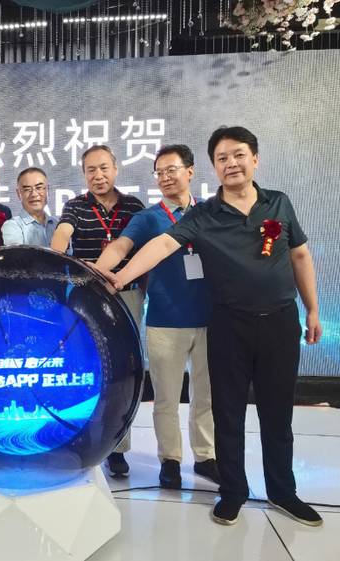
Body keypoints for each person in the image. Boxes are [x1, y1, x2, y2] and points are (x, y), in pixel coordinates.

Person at [106, 126, 323, 527]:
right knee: (227, 412)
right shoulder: (204, 214)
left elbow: (300, 256)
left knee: (277, 414)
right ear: (213, 166)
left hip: (280, 323)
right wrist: (120, 277)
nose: (231, 163)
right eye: (222, 158)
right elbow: (162, 246)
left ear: (254, 159)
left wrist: (312, 309)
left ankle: (283, 491)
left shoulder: (279, 203)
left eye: (238, 155)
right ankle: (233, 491)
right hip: (227, 325)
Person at [95, 145, 219, 489]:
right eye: (159, 173)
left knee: (207, 395)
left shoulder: (210, 212)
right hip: (165, 321)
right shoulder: (149, 218)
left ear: (190, 171)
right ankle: (171, 460)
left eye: (171, 170)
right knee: (166, 398)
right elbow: (122, 246)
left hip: (211, 320)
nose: (165, 178)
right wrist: (97, 271)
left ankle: (206, 456)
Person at [50, 144, 145, 478]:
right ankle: (83, 438)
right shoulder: (75, 206)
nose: (98, 175)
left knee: (124, 370)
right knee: (87, 367)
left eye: (104, 168)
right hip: (88, 296)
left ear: (115, 169)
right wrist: (56, 256)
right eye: (91, 170)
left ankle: (117, 448)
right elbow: (62, 234)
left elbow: (143, 249)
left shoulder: (134, 206)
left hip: (127, 295)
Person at [1, 167, 58, 246]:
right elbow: (16, 253)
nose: (34, 194)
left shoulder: (57, 224)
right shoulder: (13, 226)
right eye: (27, 189)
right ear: (18, 193)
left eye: (39, 188)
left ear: (47, 190)